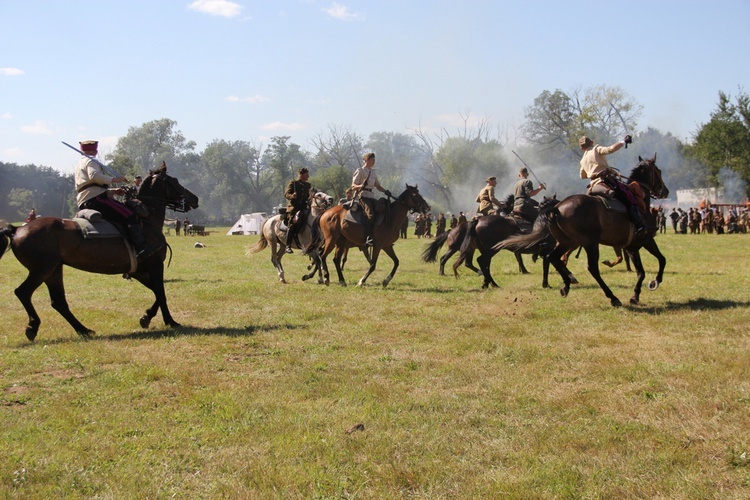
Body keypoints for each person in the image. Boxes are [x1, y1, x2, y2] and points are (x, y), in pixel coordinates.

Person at [74, 140, 158, 260]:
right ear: (95, 150)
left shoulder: (79, 164)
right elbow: (94, 176)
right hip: (96, 198)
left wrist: (112, 191)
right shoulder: (91, 161)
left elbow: (89, 185)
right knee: (130, 215)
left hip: (87, 198)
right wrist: (115, 179)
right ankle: (141, 248)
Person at [578, 135, 645, 235]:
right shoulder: (596, 149)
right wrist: (623, 142)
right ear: (592, 143)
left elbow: (582, 176)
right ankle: (639, 225)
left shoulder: (582, 160)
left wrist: (592, 172)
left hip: (593, 185)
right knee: (630, 197)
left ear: (582, 148)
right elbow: (611, 149)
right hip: (605, 181)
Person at [352, 152, 390, 246]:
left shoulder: (373, 172)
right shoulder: (360, 170)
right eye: (372, 160)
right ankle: (368, 237)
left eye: (374, 160)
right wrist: (361, 185)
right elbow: (353, 186)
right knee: (371, 215)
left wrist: (386, 191)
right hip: (363, 196)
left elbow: (378, 186)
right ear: (367, 160)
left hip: (371, 196)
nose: (374, 161)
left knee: (382, 211)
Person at [284, 167, 312, 254]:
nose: (308, 176)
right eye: (306, 175)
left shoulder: (308, 185)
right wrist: (292, 196)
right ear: (301, 175)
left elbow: (308, 196)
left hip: (304, 207)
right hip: (294, 208)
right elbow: (286, 194)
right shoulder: (293, 183)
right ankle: (288, 245)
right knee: (293, 223)